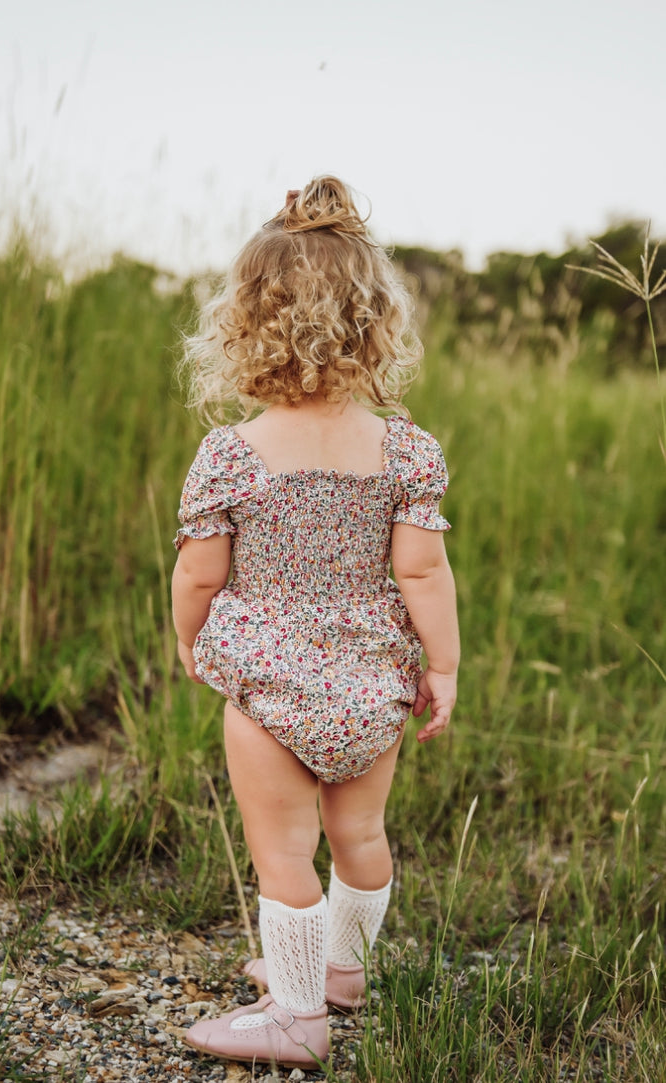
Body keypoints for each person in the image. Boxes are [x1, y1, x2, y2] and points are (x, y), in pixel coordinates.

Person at [171, 176, 459, 1069]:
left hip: (271, 689)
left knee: (283, 851)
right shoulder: (405, 448)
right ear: (377, 325)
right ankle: (344, 971)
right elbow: (421, 567)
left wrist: (191, 636)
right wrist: (440, 666)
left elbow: (198, 571)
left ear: (246, 324)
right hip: (370, 681)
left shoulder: (232, 453)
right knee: (360, 836)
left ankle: (296, 1014)